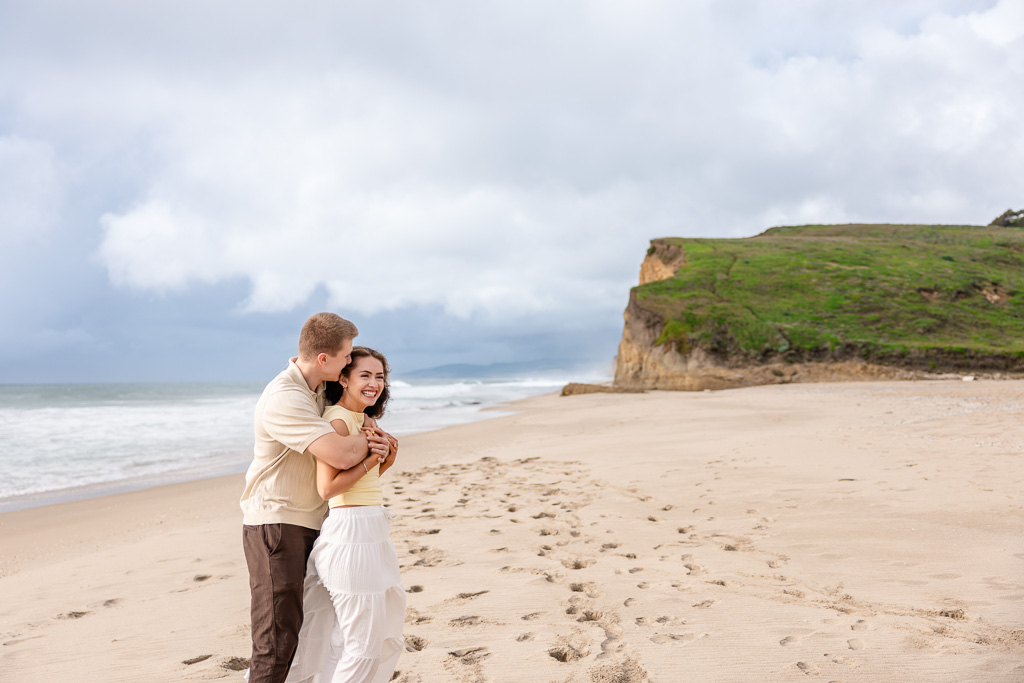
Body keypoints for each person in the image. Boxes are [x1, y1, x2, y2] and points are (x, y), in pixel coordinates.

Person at [240, 313, 392, 683]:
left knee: (311, 632)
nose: (348, 364)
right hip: (277, 525)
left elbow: (353, 416)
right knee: (276, 639)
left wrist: (370, 431)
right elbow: (340, 455)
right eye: (344, 357)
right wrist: (375, 441)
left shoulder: (318, 389)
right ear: (324, 359)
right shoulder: (285, 397)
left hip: (317, 521)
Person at [285, 346, 405, 683]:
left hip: (372, 528)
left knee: (349, 641)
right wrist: (371, 460)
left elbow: (359, 487)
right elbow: (328, 489)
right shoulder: (336, 420)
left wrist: (388, 459)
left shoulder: (367, 420)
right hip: (351, 536)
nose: (374, 383)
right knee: (363, 646)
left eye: (379, 376)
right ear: (343, 378)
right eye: (364, 375)